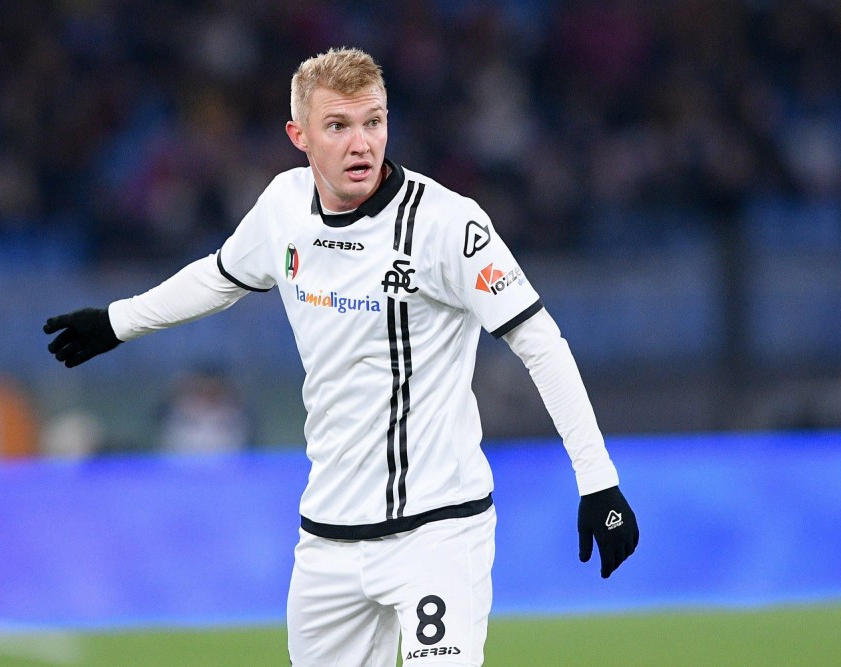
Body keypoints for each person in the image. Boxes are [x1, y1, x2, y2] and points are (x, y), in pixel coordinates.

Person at [44, 47, 638, 667]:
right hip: (328, 536)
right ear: (298, 136)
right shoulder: (284, 207)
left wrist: (598, 481)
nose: (361, 144)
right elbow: (218, 276)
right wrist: (116, 322)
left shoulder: (447, 226)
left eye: (373, 122)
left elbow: (540, 343)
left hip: (437, 530)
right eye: (338, 126)